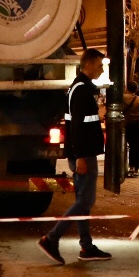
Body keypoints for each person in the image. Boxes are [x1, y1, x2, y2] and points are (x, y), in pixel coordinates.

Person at [39, 49, 113, 264]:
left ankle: (87, 247)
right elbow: (78, 128)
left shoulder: (81, 89)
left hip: (85, 153)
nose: (101, 70)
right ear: (88, 65)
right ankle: (51, 238)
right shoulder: (81, 91)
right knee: (85, 201)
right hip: (84, 155)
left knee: (83, 202)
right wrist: (80, 156)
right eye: (99, 65)